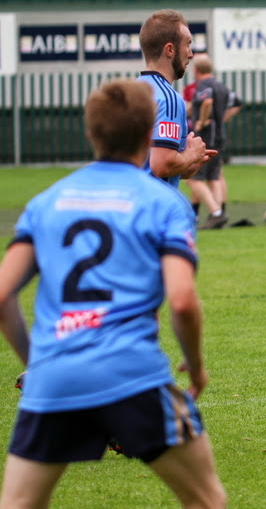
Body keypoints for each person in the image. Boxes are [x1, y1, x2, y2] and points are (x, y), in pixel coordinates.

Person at [0, 80, 225, 508]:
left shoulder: (46, 201)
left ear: (91, 133)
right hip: (131, 376)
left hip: (54, 378)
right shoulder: (165, 204)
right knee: (206, 499)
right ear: (149, 135)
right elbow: (181, 300)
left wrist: (40, 364)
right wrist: (195, 369)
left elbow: (2, 296)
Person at [137, 9, 217, 198]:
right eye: (188, 45)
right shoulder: (168, 98)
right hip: (153, 209)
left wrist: (187, 164)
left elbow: (145, 165)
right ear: (170, 50)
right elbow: (161, 165)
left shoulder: (134, 91)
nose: (190, 54)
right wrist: (191, 153)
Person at [185, 54, 242, 230]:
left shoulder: (203, 85)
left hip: (206, 135)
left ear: (195, 70)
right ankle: (218, 214)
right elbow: (237, 102)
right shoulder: (220, 85)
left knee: (192, 178)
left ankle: (216, 212)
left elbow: (207, 102)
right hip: (218, 135)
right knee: (214, 176)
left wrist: (201, 121)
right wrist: (222, 118)